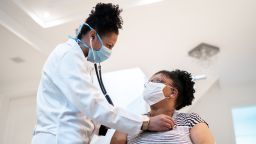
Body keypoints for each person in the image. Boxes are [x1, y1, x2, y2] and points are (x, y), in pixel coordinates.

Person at [31, 3, 175, 144]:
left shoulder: (80, 61)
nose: (109, 52)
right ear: (92, 35)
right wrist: (146, 123)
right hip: (58, 138)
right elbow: (93, 105)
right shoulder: (68, 56)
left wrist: (103, 125)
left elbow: (84, 109)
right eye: (109, 45)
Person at [111, 69, 215, 144]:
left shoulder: (191, 120)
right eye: (148, 83)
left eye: (157, 81)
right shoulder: (130, 121)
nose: (149, 85)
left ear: (173, 92)